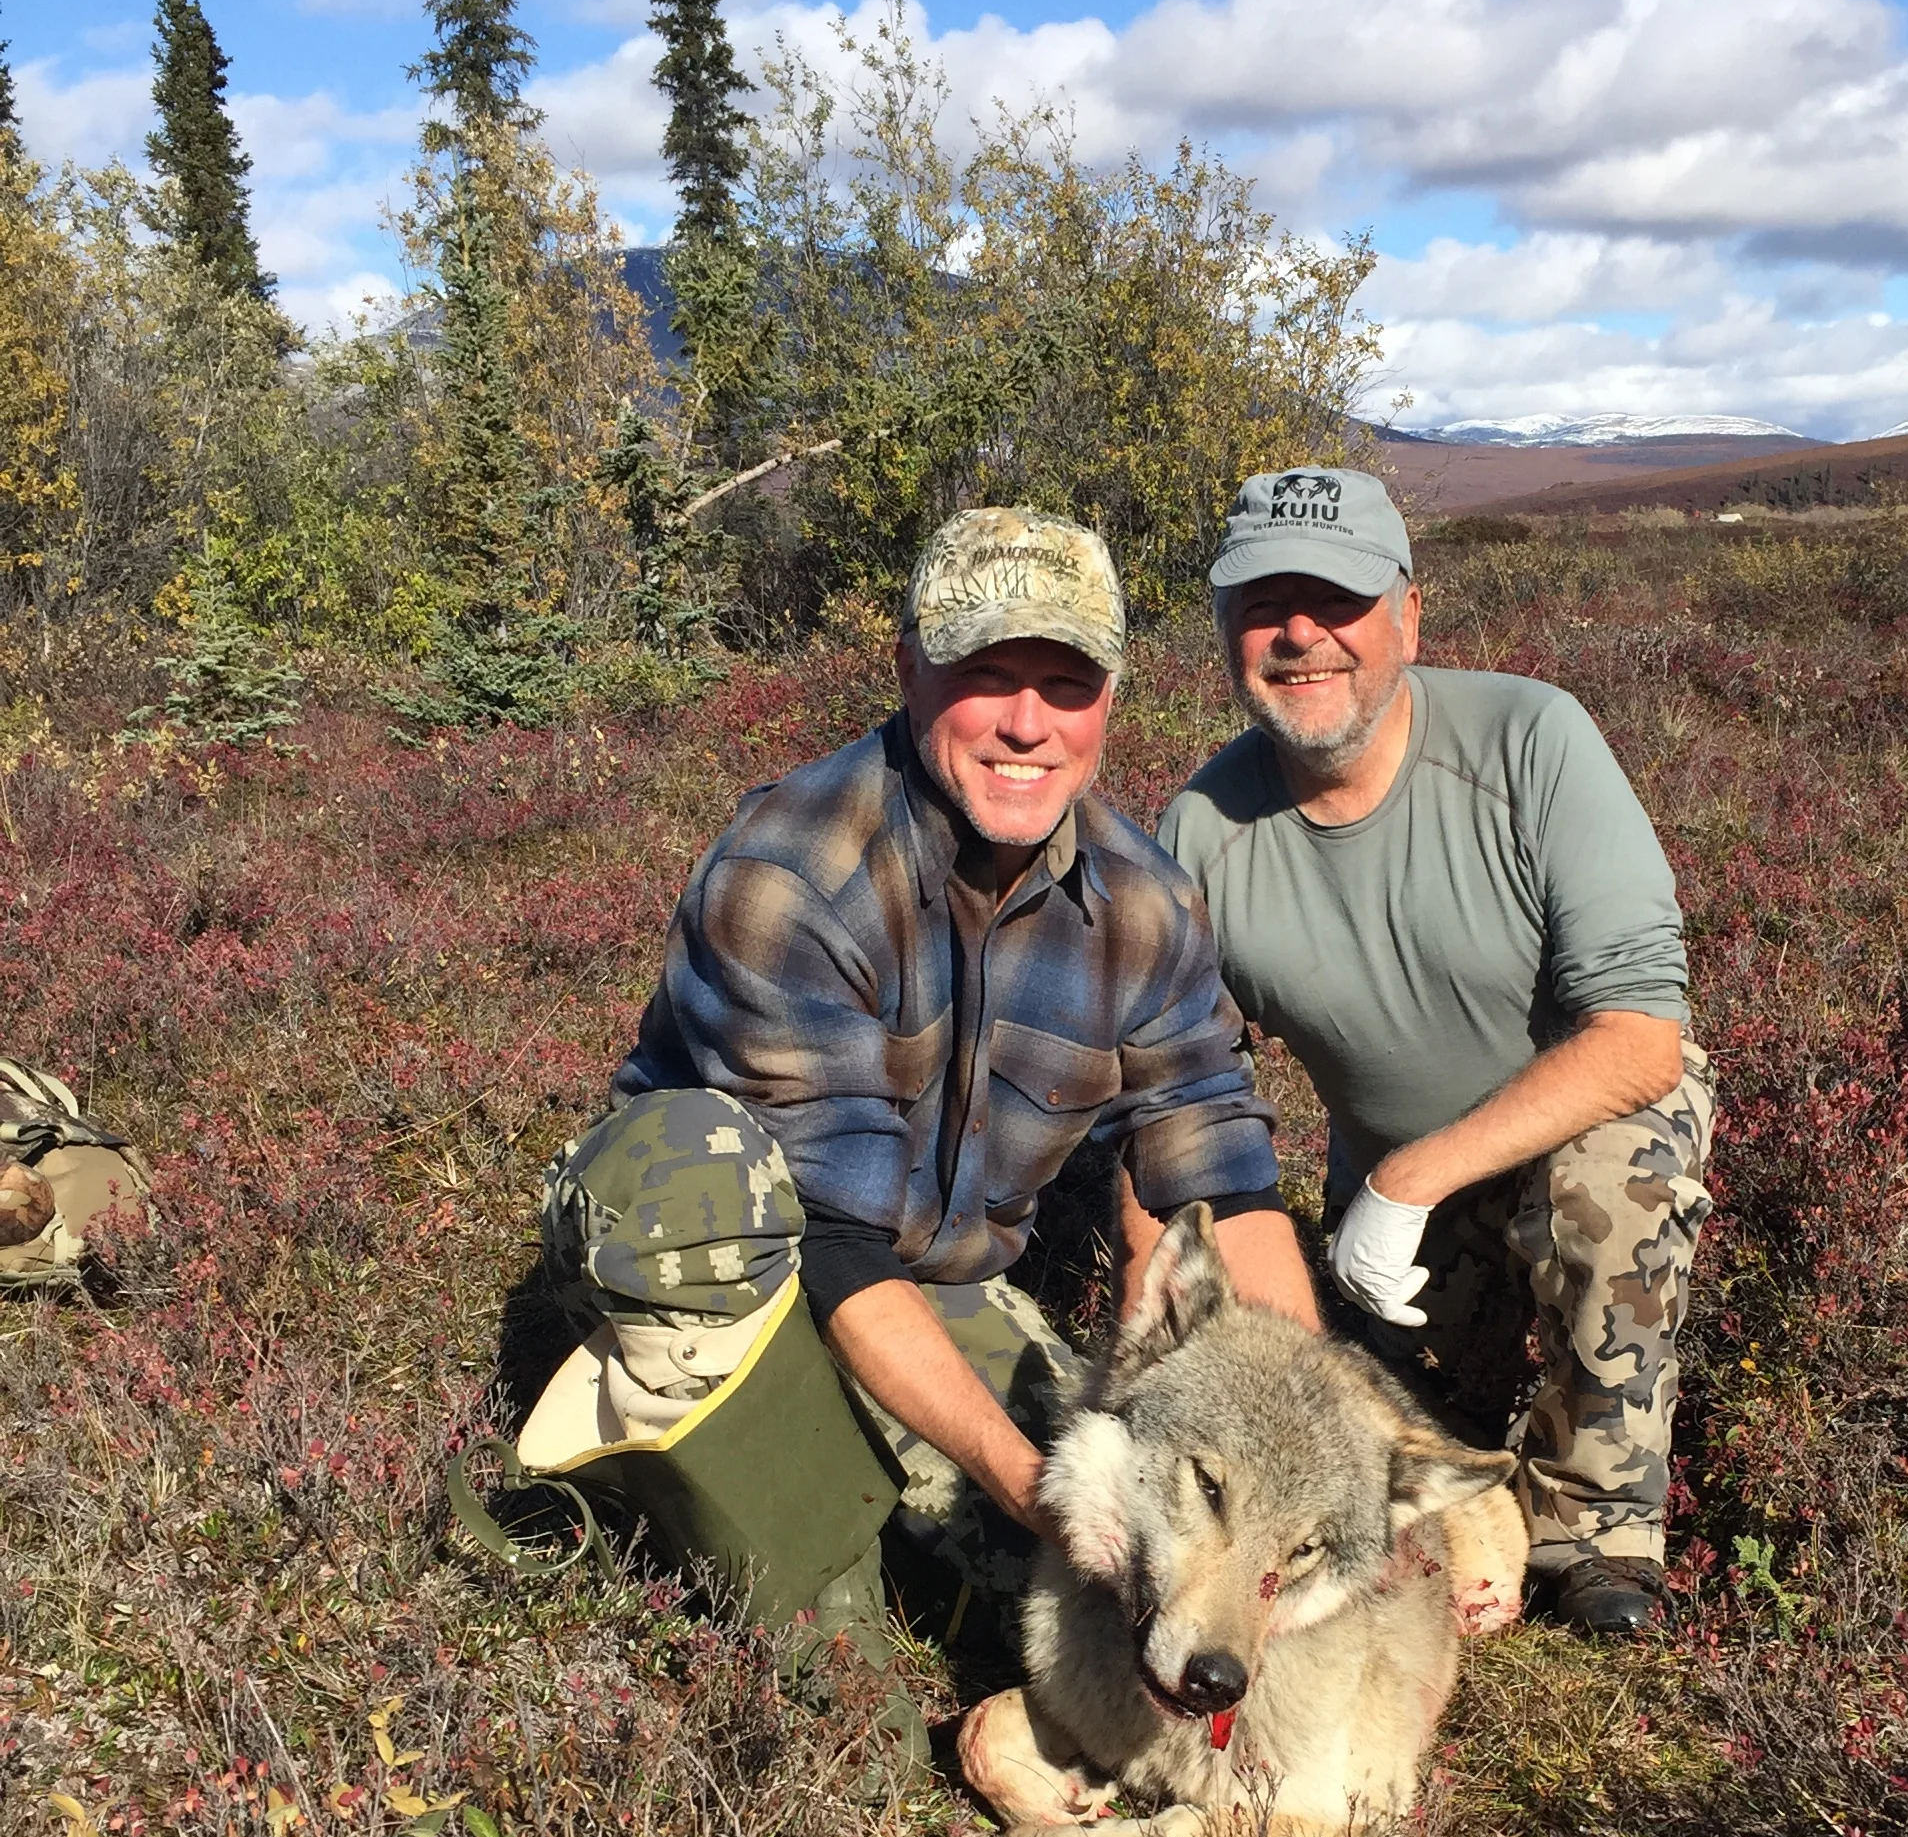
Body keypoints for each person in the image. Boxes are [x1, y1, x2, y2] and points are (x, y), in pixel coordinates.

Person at [548, 504, 1317, 1619]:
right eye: (985, 672)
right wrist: (1027, 1489)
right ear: (907, 667)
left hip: (929, 1278)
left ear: (1110, 699)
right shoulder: (795, 879)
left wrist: (1297, 1432)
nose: (1026, 723)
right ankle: (691, 1468)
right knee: (852, 1631)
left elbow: (1210, 1173)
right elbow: (837, 1248)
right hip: (735, 1262)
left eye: (1067, 683)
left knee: (1111, 1592)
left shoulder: (1147, 905)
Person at [1154, 467, 1713, 1637]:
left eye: (1337, 600)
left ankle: (1596, 1530)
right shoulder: (1204, 830)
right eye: (1263, 604)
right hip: (1387, 1188)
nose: (1300, 633)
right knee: (1400, 1418)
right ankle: (1475, 1477)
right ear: (1224, 632)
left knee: (1602, 1194)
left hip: (1582, 1120)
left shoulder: (1532, 739)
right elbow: (1176, 1080)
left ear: (1407, 615)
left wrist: (1410, 1180)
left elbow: (1641, 1040)